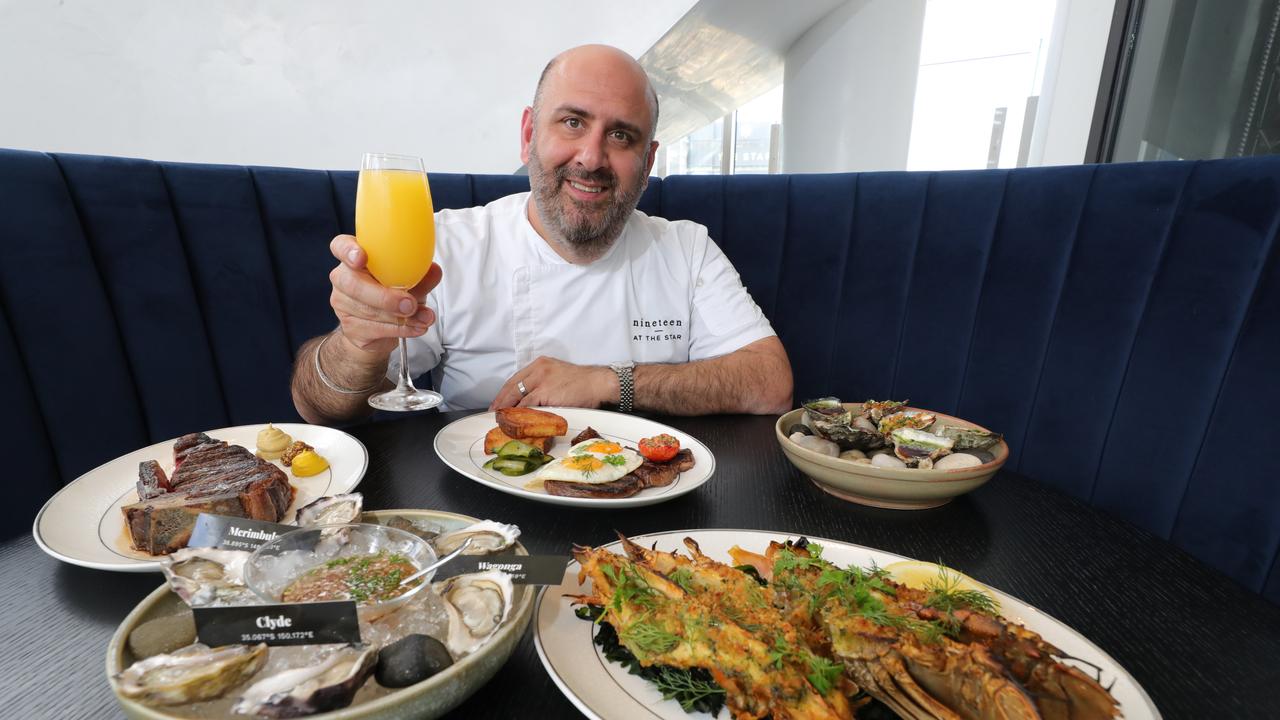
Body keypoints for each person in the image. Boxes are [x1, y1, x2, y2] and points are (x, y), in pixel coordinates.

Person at [292, 44, 793, 424]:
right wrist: (359, 345)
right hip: (481, 504)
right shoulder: (451, 245)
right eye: (572, 122)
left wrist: (606, 382)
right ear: (529, 134)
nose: (592, 158)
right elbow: (319, 408)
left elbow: (770, 384)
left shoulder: (686, 248)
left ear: (649, 162)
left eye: (621, 135)